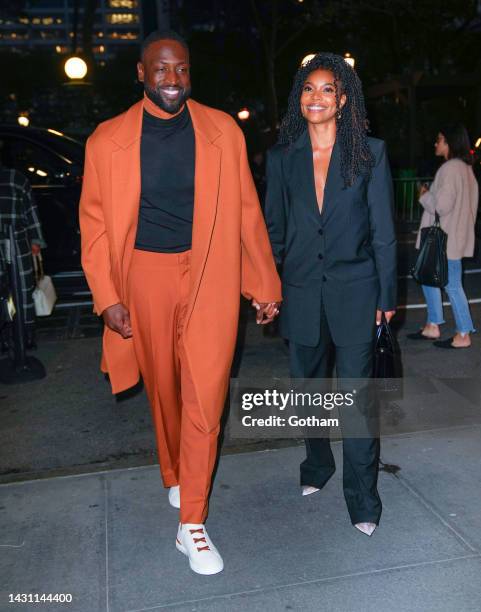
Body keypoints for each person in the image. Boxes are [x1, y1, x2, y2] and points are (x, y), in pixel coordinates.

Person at [79, 30, 281, 575]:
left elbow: (245, 210)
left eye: (182, 70)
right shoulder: (106, 140)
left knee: (206, 391)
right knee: (163, 389)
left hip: (210, 269)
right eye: (162, 70)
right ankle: (173, 472)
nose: (174, 79)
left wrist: (262, 283)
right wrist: (108, 297)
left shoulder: (221, 131)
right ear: (142, 74)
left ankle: (191, 521)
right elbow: (94, 229)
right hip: (144, 275)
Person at [264, 52, 397, 536]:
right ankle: (316, 466)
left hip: (357, 292)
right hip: (300, 294)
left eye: (326, 89)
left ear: (343, 100)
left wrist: (386, 297)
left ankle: (363, 497)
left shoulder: (370, 154)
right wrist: (266, 289)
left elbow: (383, 232)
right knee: (307, 393)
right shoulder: (281, 159)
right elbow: (273, 232)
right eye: (308, 89)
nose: (315, 97)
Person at [408, 123, 478, 348]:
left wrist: (425, 195)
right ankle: (433, 325)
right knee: (430, 278)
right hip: (455, 238)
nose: (436, 143)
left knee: (452, 285)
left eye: (439, 139)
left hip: (445, 241)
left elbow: (442, 206)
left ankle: (464, 333)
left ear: (449, 142)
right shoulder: (466, 170)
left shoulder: (449, 169)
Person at [0, 164, 46, 350]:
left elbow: (30, 211)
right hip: (16, 243)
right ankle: (7, 333)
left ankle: (25, 334)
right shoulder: (15, 177)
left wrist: (36, 240)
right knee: (9, 292)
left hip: (17, 241)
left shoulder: (16, 178)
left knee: (22, 289)